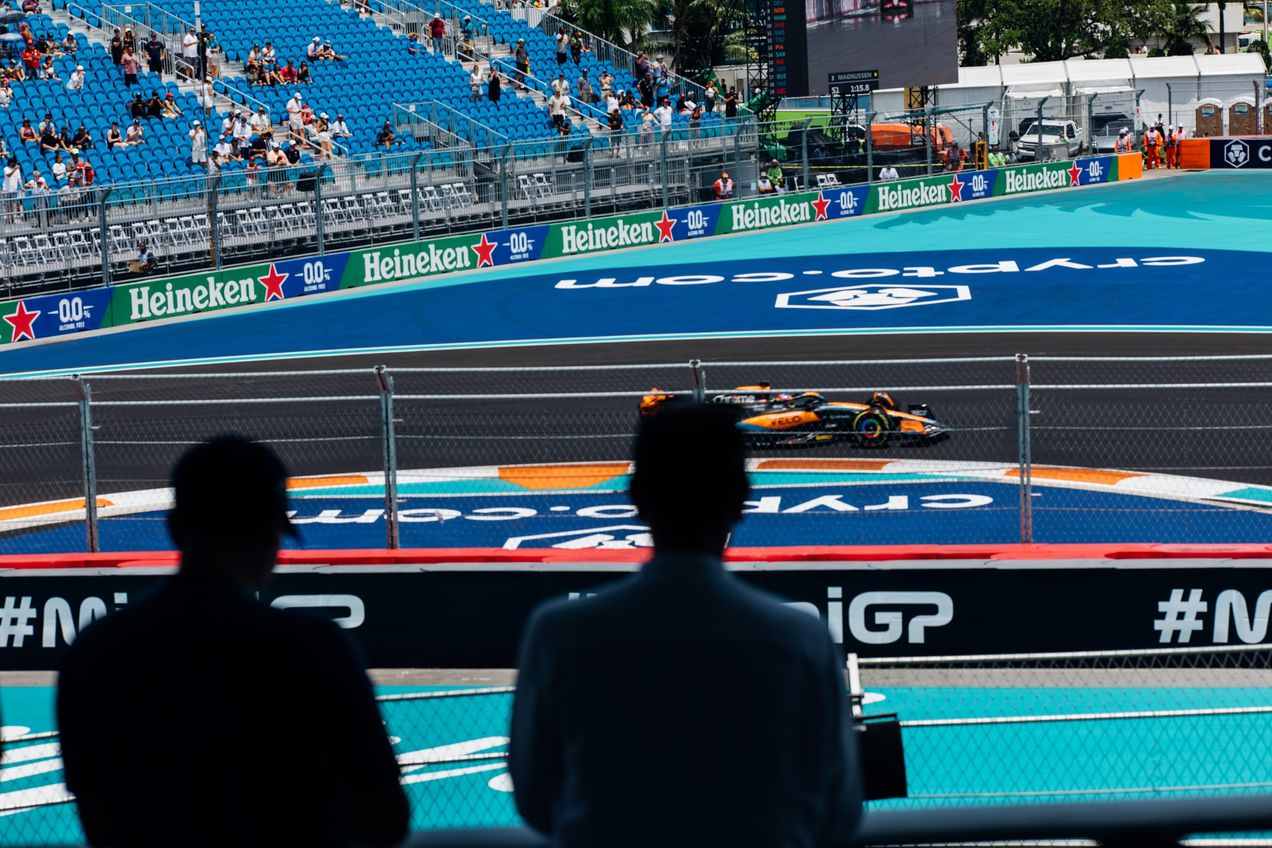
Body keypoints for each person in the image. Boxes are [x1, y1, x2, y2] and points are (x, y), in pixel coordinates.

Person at [509, 404, 861, 848]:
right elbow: (840, 807)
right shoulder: (799, 637)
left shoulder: (559, 633)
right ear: (740, 499)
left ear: (636, 498)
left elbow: (535, 796)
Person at [57, 436, 410, 848]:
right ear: (271, 534)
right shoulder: (313, 648)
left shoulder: (96, 652)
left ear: (174, 528)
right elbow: (386, 817)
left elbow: (95, 812)